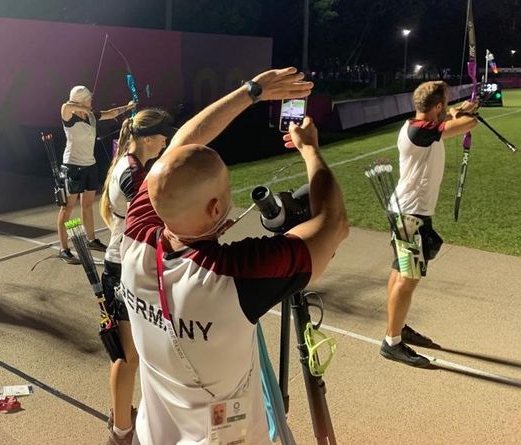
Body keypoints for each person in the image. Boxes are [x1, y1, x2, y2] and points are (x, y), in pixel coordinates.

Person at [119, 67, 349, 444]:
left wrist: (252, 91)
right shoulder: (234, 274)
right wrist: (311, 150)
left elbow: (178, 148)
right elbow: (333, 223)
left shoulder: (136, 233)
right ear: (214, 210)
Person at [380, 81, 478, 367]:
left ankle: (397, 326)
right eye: (445, 103)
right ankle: (392, 342)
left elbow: (447, 120)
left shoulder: (419, 124)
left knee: (400, 272)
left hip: (406, 211)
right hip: (411, 215)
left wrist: (457, 109)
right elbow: (467, 124)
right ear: (436, 107)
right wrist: (470, 112)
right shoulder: (421, 131)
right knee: (408, 279)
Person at [99, 108, 174, 444]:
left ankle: (124, 416)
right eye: (162, 135)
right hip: (121, 269)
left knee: (134, 353)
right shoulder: (132, 172)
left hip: (127, 265)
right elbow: (157, 213)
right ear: (145, 138)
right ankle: (120, 430)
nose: (166, 140)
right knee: (128, 355)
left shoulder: (132, 165)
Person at [56, 85, 135, 264]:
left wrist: (128, 107)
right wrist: (84, 106)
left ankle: (91, 240)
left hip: (89, 165)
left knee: (87, 205)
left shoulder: (91, 116)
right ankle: (64, 248)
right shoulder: (69, 115)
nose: (92, 101)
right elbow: (66, 106)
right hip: (72, 166)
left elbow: (111, 113)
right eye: (89, 99)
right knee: (67, 208)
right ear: (81, 100)